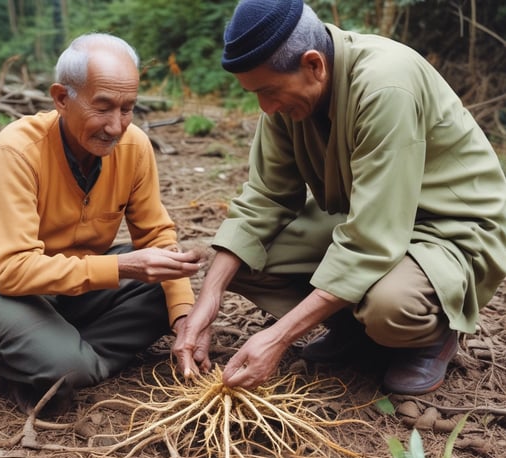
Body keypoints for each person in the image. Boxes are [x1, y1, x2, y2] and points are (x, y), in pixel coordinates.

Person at [172, 0, 506, 395]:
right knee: (241, 259)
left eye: (268, 91)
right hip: (373, 218)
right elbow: (265, 199)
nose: (266, 107)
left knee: (390, 306)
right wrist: (208, 301)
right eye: (254, 94)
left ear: (314, 65)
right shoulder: (287, 99)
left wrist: (280, 337)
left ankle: (430, 336)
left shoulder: (386, 85)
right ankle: (356, 328)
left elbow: (370, 239)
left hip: (449, 229)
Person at [0, 33, 205, 414]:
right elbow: (12, 271)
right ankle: (59, 361)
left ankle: (43, 355)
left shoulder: (134, 148)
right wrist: (121, 266)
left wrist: (185, 317)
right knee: (67, 364)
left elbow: (155, 236)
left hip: (76, 288)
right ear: (61, 98)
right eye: (102, 108)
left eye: (128, 108)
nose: (116, 127)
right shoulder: (17, 150)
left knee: (166, 290)